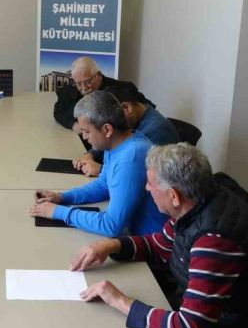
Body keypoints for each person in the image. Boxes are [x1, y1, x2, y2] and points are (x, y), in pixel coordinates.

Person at [71, 143, 248, 328]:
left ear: (174, 196)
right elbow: (160, 246)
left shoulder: (214, 241)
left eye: (150, 184)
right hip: (202, 308)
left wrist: (118, 300)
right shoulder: (196, 202)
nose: (146, 188)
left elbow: (188, 327)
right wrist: (112, 245)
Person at [29, 91, 166, 237]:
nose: (84, 137)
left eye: (86, 131)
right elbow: (103, 185)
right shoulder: (116, 144)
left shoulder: (131, 158)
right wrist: (62, 198)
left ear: (107, 129)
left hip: (148, 241)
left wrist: (58, 212)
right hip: (133, 231)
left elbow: (110, 225)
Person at [53, 57, 154, 152]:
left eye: (88, 82)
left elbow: (147, 109)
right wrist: (73, 125)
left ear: (99, 76)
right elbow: (58, 111)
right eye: (79, 84)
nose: (83, 88)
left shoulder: (122, 89)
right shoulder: (70, 91)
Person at [74, 86, 178, 176]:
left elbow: (146, 175)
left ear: (126, 107)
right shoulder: (132, 122)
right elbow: (110, 141)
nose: (107, 123)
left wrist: (101, 170)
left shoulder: (158, 131)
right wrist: (90, 155)